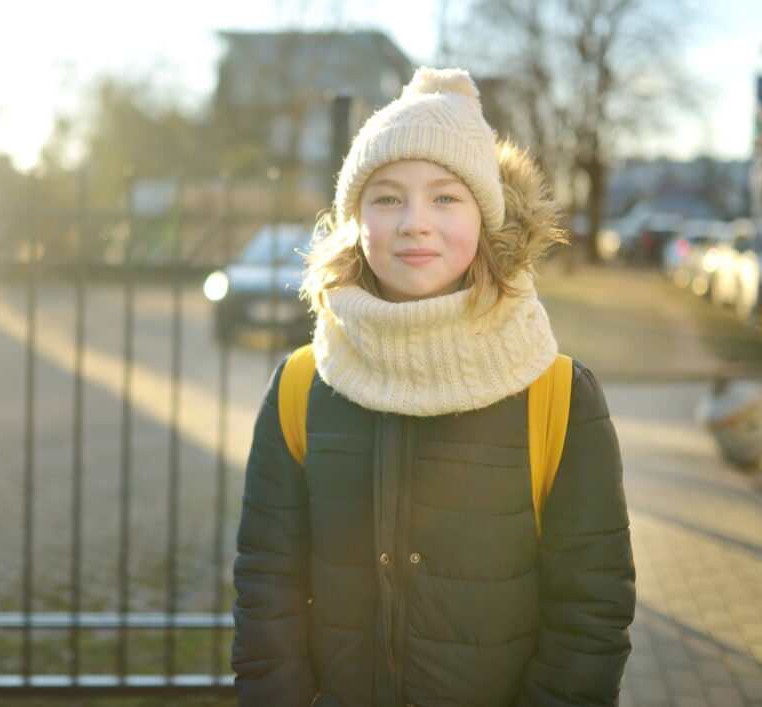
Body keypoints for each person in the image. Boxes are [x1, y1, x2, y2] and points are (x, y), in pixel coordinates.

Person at [231, 67, 635, 706]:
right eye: (387, 197)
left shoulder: (557, 393)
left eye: (446, 197)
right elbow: (267, 584)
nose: (414, 222)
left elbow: (590, 612)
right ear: (355, 219)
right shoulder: (302, 385)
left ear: (487, 217)